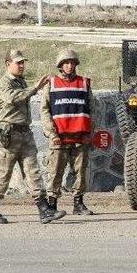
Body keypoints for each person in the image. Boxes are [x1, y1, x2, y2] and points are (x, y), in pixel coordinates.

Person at [0, 50, 66, 224]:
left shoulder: (21, 82)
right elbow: (12, 98)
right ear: (8, 63)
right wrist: (35, 88)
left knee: (33, 172)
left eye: (23, 62)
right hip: (9, 133)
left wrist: (33, 88)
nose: (22, 66)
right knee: (3, 174)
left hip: (24, 132)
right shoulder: (4, 82)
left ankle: (44, 209)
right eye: (18, 62)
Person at [41, 49, 94, 216]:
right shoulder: (51, 83)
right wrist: (52, 133)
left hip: (81, 136)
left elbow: (93, 109)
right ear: (60, 66)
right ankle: (52, 205)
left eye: (72, 63)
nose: (69, 66)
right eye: (66, 63)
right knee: (55, 172)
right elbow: (44, 110)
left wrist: (90, 131)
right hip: (59, 137)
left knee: (80, 172)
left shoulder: (84, 83)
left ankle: (78, 203)